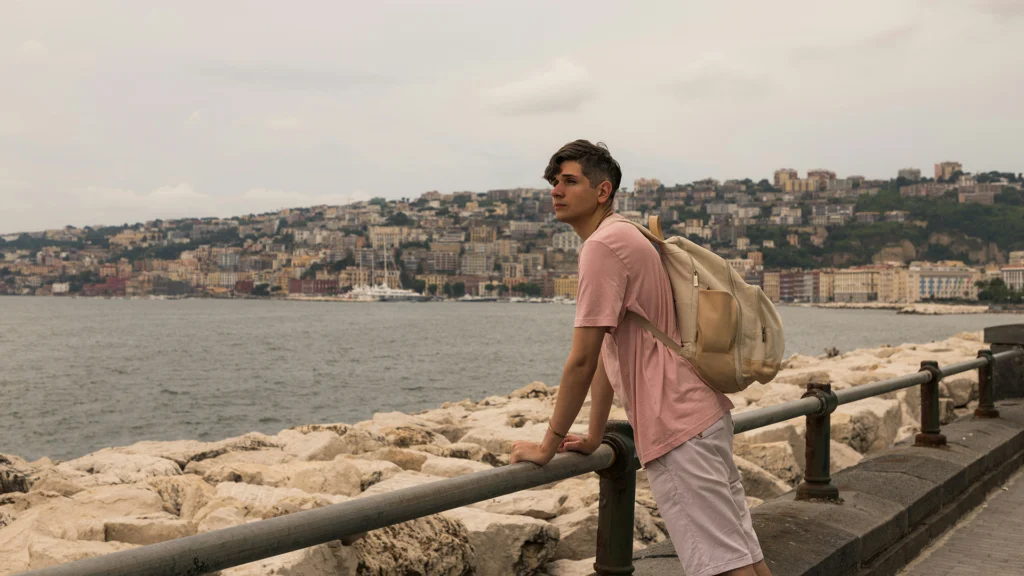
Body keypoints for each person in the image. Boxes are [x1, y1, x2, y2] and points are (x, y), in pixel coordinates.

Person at [509, 140, 771, 576]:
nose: (556, 190)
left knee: (726, 568)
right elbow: (613, 353)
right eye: (554, 182)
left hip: (676, 427)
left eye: (569, 181)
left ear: (602, 190)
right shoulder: (627, 234)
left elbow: (582, 359)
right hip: (700, 415)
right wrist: (593, 436)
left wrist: (546, 445)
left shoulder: (601, 248)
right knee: (745, 558)